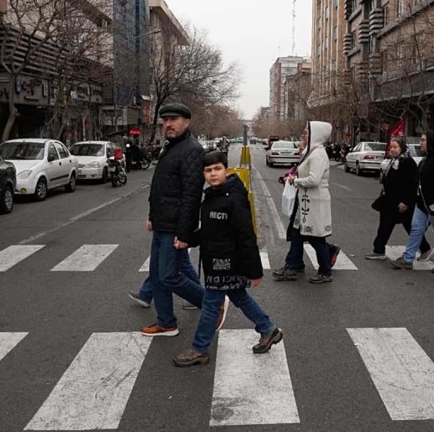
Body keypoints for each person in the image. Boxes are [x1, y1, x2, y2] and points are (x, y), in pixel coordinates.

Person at [173, 151, 282, 367]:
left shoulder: (233, 197)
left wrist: (254, 270)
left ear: (226, 169)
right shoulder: (212, 196)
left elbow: (246, 234)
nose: (213, 174)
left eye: (217, 169)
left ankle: (199, 348)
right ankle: (268, 329)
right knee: (238, 296)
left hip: (227, 261)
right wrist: (187, 239)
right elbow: (210, 231)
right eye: (208, 170)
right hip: (216, 259)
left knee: (211, 304)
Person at [141, 103, 224, 337]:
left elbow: (191, 194)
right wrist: (151, 216)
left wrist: (184, 232)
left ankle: (212, 303)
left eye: (174, 119)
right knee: (157, 276)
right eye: (165, 120)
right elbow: (160, 186)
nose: (168, 124)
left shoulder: (191, 149)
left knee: (168, 276)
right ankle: (166, 322)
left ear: (186, 122)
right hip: (162, 222)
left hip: (174, 225)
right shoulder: (171, 146)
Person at [273, 121, 339, 284]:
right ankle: (293, 265)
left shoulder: (318, 154)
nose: (304, 135)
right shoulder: (311, 152)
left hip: (314, 202)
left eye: (306, 132)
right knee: (296, 234)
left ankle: (325, 271)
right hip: (304, 201)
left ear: (316, 134)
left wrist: (295, 180)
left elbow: (314, 179)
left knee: (317, 237)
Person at [390, 131, 434, 274]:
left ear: (432, 142)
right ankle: (408, 259)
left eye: (423, 140)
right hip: (423, 204)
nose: (421, 143)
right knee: (416, 229)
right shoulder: (427, 158)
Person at [367, 137, 434, 261]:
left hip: (401, 203)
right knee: (386, 226)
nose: (392, 150)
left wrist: (406, 202)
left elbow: (412, 185)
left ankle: (425, 249)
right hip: (391, 201)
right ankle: (379, 250)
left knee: (405, 226)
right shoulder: (394, 161)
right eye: (391, 147)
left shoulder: (407, 162)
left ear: (402, 148)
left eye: (395, 147)